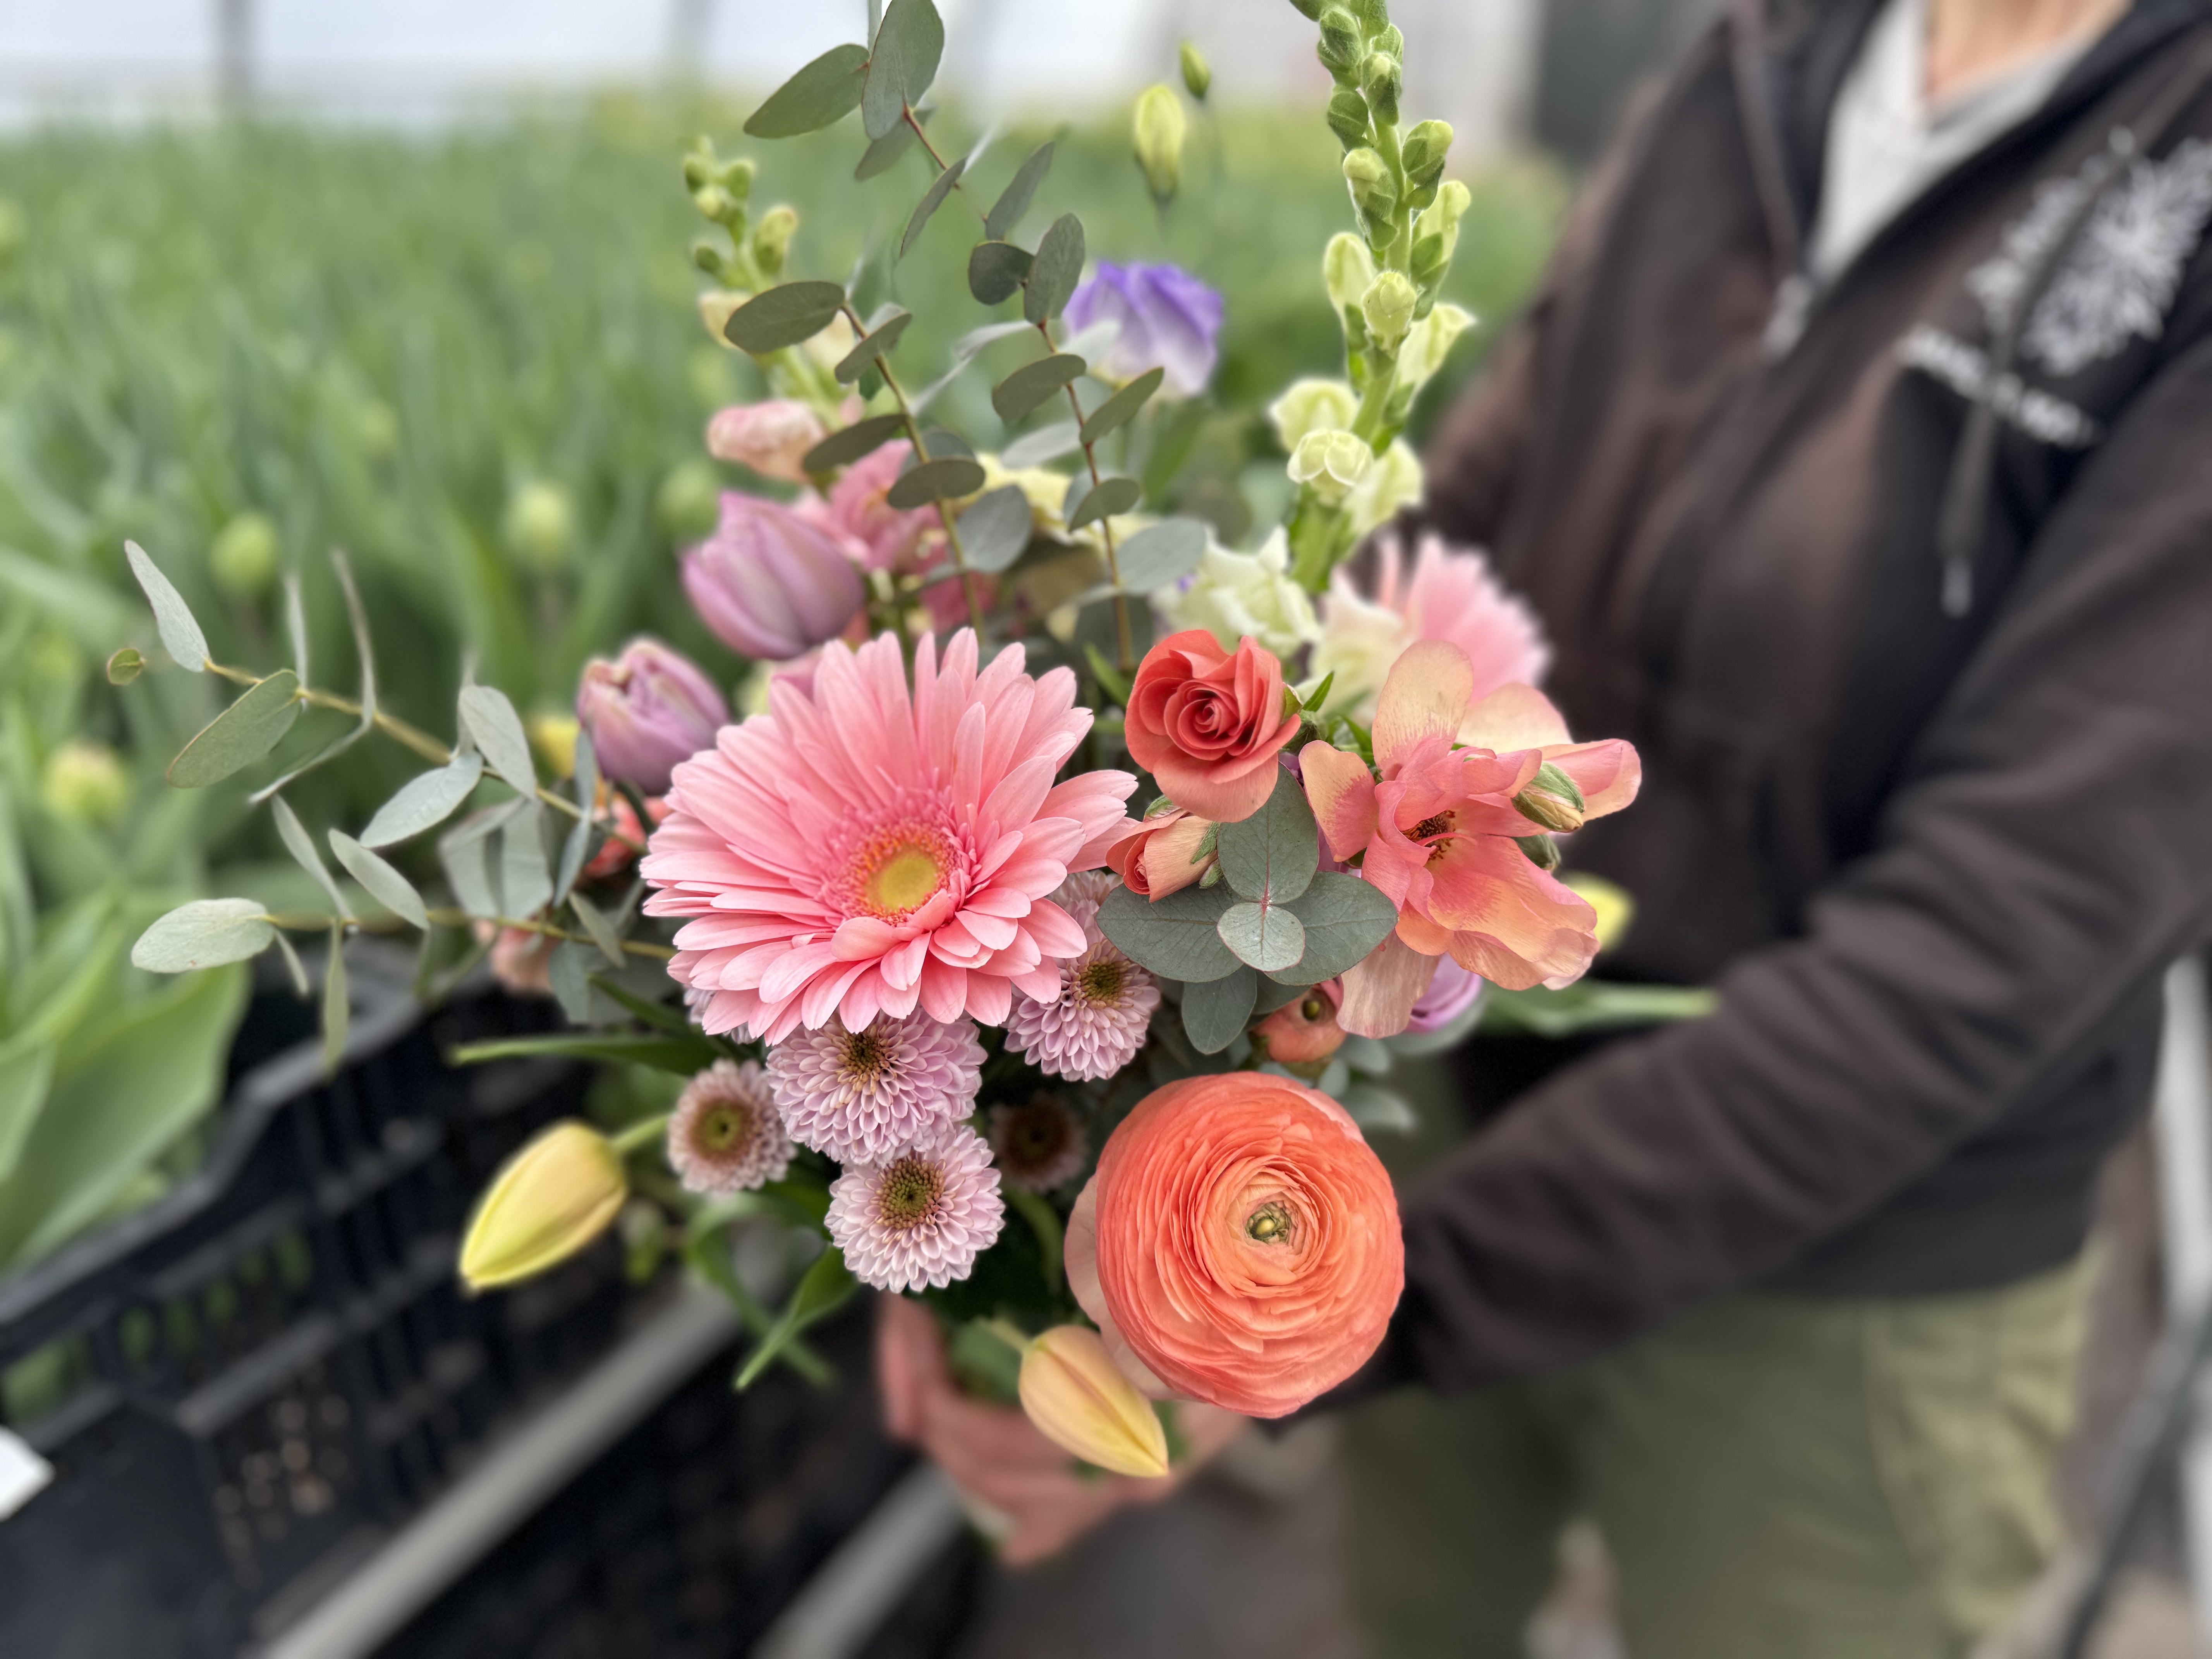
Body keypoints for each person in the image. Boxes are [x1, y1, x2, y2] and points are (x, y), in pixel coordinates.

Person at [882, 0, 2212, 1651]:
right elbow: (1455, 558)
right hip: (1463, 1107)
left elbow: (1998, 936)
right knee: (1417, 1609)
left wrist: (1349, 1310)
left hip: (1850, 1277)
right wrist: (1111, 1053)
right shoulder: (1764, 56)